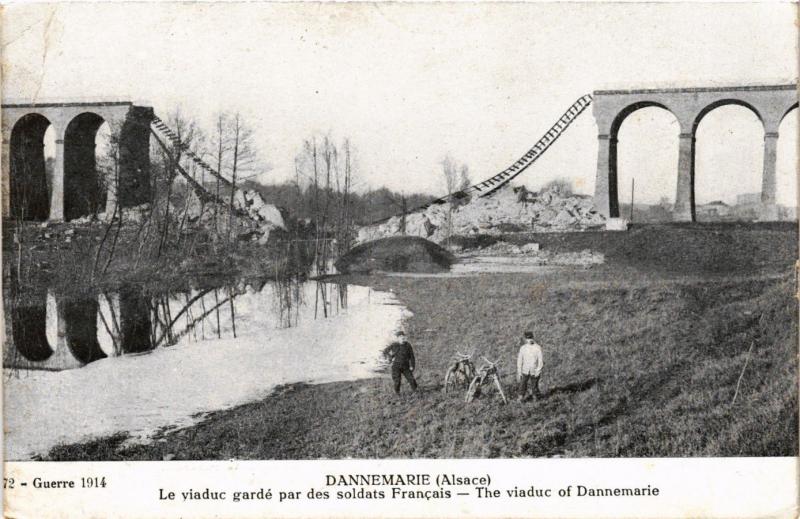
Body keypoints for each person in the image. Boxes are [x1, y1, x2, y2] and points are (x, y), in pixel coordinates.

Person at [387, 330, 418, 394]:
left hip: (405, 366)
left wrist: (412, 366)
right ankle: (397, 393)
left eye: (403, 336)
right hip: (396, 366)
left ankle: (416, 391)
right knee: (397, 381)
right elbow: (385, 351)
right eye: (400, 337)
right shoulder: (394, 345)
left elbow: (412, 356)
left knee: (411, 379)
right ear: (398, 338)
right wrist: (390, 358)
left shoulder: (408, 345)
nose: (402, 338)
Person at [517, 331, 543, 401]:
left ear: (533, 338)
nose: (530, 340)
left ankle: (535, 398)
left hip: (534, 371)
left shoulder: (537, 347)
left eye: (531, 338)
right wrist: (519, 371)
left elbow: (540, 361)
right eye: (528, 338)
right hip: (525, 370)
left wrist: (538, 370)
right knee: (522, 384)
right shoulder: (523, 348)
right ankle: (521, 398)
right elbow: (520, 360)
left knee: (534, 385)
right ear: (525, 339)